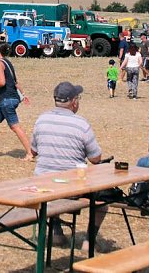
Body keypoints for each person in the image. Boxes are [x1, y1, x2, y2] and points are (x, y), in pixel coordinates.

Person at [30, 82, 107, 250]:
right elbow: (95, 158)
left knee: (51, 185)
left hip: (42, 185)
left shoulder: (41, 119)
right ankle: (89, 240)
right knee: (104, 199)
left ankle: (57, 232)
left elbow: (33, 151)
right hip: (71, 189)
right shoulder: (81, 124)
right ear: (74, 101)